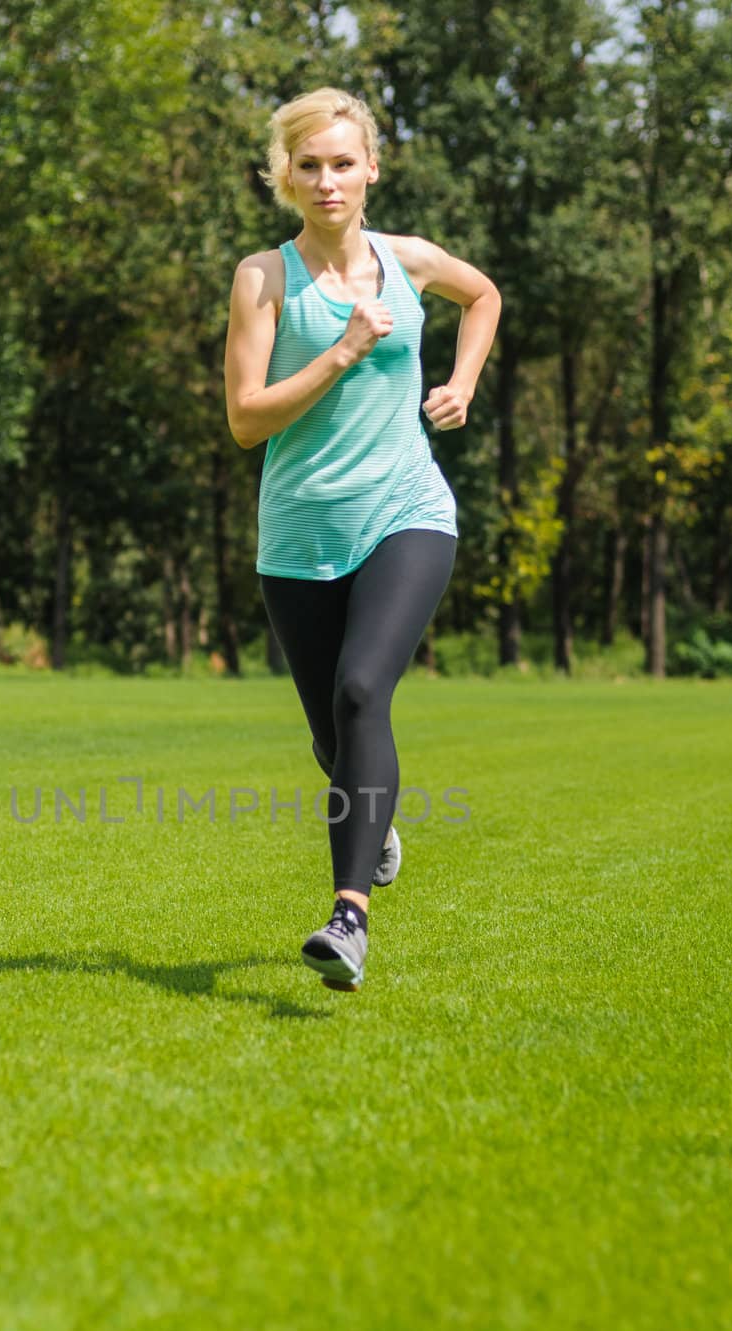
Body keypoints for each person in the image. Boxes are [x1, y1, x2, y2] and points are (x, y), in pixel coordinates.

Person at [224, 86, 501, 993]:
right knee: (332, 743)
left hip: (405, 510)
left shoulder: (407, 259)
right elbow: (244, 421)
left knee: (358, 691)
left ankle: (348, 918)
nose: (327, 180)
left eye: (343, 162)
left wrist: (461, 379)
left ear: (371, 168)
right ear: (285, 178)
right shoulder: (263, 277)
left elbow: (483, 294)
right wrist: (339, 353)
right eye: (308, 165)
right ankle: (372, 824)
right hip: (300, 534)